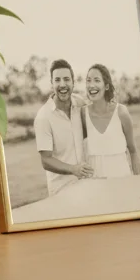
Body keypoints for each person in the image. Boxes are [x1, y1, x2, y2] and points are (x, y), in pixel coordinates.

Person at [33, 59, 92, 195]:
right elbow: (46, 160)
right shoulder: (43, 117)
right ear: (52, 83)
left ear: (73, 82)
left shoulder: (80, 103)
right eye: (57, 80)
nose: (62, 84)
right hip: (62, 189)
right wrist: (73, 169)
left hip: (87, 184)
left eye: (66, 79)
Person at [82, 64, 138, 178]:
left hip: (122, 180)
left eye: (97, 80)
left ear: (106, 86)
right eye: (88, 81)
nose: (91, 85)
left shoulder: (121, 112)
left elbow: (132, 150)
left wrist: (138, 182)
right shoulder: (83, 114)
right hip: (95, 183)